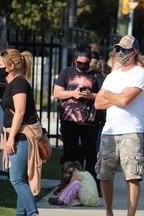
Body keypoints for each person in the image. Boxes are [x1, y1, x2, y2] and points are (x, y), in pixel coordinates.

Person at [94, 35, 144, 216]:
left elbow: (125, 100)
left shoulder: (140, 74)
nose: (121, 53)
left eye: (125, 50)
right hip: (109, 131)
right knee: (104, 174)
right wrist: (116, 95)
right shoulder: (112, 76)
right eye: (119, 49)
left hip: (131, 131)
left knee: (132, 176)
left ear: (134, 52)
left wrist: (109, 95)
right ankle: (109, 212)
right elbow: (97, 103)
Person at [53, 41, 104, 194]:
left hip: (90, 122)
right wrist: (73, 94)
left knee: (90, 155)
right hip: (69, 120)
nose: (82, 66)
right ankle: (66, 183)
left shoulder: (96, 75)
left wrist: (91, 95)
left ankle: (92, 185)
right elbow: (57, 93)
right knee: (70, 153)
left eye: (85, 63)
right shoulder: (67, 72)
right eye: (80, 63)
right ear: (75, 60)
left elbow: (104, 95)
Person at [0, 49, 42, 216]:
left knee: (16, 180)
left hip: (21, 138)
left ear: (11, 66)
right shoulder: (14, 84)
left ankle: (32, 213)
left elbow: (21, 111)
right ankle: (20, 213)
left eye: (1, 65)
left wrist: (11, 139)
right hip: (17, 136)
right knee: (21, 179)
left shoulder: (19, 83)